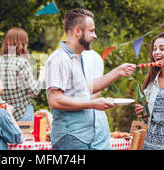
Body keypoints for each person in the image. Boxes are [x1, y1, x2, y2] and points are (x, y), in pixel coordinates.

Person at [45, 8, 136, 150]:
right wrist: (92, 104)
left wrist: (118, 71)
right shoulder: (59, 59)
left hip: (82, 137)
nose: (95, 35)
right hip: (70, 138)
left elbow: (86, 88)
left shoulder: (77, 57)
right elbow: (55, 100)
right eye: (91, 31)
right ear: (77, 31)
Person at [0, 27, 44, 122]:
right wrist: (42, 76)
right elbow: (34, 91)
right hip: (23, 114)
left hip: (5, 114)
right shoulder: (22, 63)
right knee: (25, 137)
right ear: (22, 44)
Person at [82, 49, 111, 150]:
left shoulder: (93, 57)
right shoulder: (67, 57)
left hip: (93, 119)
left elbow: (96, 91)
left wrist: (79, 104)